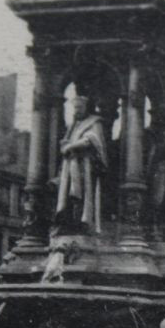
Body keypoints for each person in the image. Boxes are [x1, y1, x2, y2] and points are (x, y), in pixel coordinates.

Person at [55, 95, 109, 232]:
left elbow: (92, 139)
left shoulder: (94, 122)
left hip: (85, 164)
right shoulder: (73, 125)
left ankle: (83, 223)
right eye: (75, 108)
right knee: (70, 195)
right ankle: (70, 223)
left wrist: (71, 146)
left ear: (86, 108)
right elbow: (66, 141)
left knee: (83, 195)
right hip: (71, 164)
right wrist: (65, 145)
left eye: (79, 107)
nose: (76, 110)